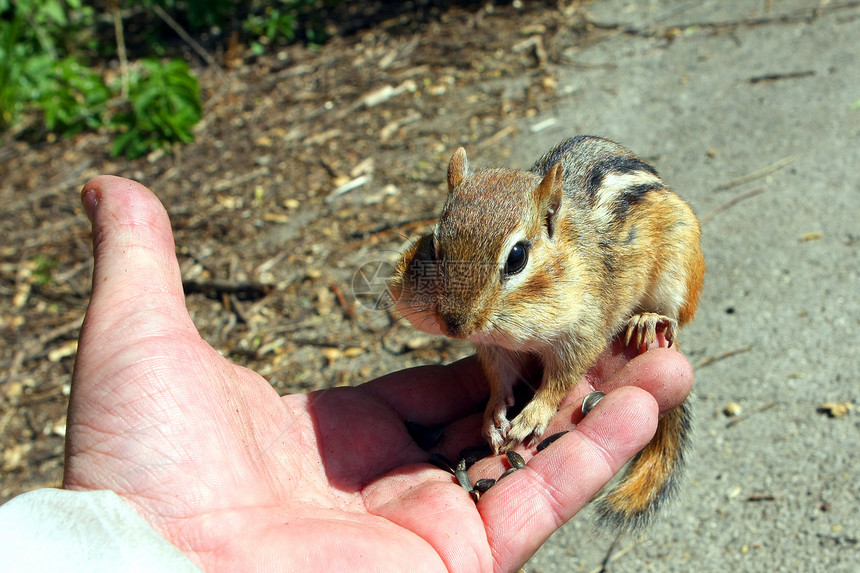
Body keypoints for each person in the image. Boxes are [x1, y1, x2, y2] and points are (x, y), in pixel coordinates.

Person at [0, 176, 693, 572]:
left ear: (548, 218)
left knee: (664, 252)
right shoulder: (463, 281)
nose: (458, 310)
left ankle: (652, 331)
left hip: (634, 278)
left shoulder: (570, 271)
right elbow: (480, 330)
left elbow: (575, 337)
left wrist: (546, 396)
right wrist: (495, 391)